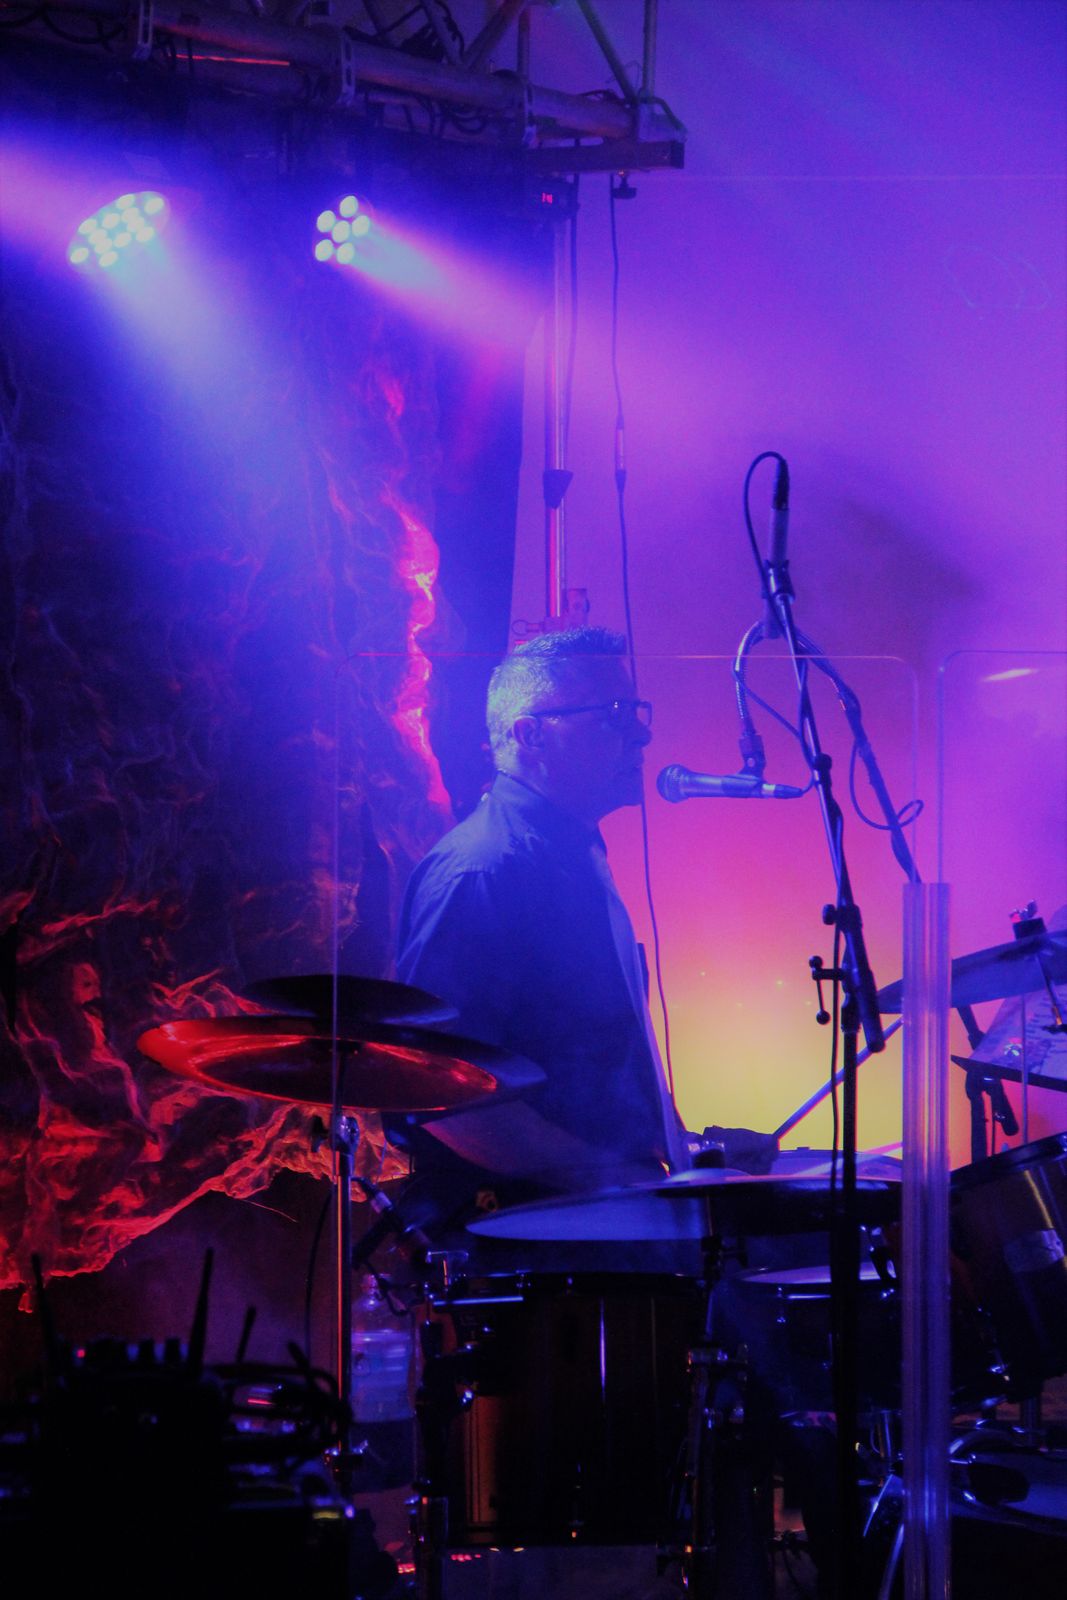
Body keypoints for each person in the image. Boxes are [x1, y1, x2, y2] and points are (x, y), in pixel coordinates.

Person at [395, 625, 687, 1205]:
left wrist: (692, 1153)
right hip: (527, 1232)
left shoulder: (570, 853)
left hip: (591, 1218)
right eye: (613, 714)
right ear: (530, 735)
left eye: (636, 710)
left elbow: (594, 1066)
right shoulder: (482, 872)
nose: (642, 732)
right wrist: (614, 1181)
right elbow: (438, 1095)